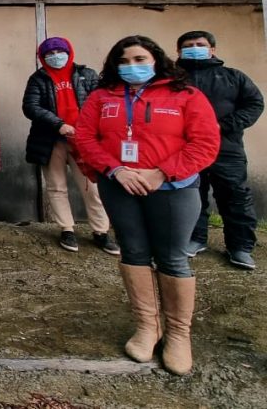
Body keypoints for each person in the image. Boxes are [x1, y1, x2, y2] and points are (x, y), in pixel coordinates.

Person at [75, 35, 220, 375]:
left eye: (139, 59)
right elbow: (85, 138)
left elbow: (205, 141)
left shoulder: (185, 95)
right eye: (124, 62)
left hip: (173, 188)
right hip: (120, 185)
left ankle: (178, 334)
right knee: (134, 252)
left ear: (156, 59)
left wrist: (162, 173)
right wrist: (116, 169)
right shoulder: (102, 97)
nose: (131, 67)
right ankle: (147, 327)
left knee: (172, 256)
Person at [21, 36, 118, 255]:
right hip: (51, 139)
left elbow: (101, 102)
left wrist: (89, 129)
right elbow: (30, 107)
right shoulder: (38, 78)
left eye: (59, 51)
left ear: (69, 51)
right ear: (42, 58)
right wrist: (58, 124)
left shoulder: (87, 74)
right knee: (56, 186)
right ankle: (66, 229)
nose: (55, 56)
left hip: (84, 140)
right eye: (49, 54)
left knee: (92, 187)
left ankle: (101, 231)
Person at [177, 30, 263, 270]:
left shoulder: (233, 77)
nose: (194, 48)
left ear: (212, 49)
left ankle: (240, 247)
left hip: (227, 148)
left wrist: (221, 126)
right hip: (185, 149)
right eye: (188, 45)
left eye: (200, 44)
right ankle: (195, 239)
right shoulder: (174, 79)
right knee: (193, 195)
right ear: (178, 51)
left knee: (235, 197)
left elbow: (254, 104)